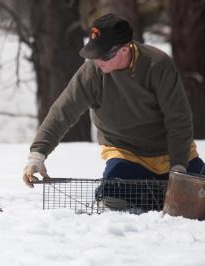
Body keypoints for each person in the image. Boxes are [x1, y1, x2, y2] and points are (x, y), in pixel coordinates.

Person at [22, 14, 205, 195]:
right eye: (93, 53)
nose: (96, 60)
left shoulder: (157, 65)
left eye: (102, 55)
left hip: (172, 152)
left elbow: (178, 119)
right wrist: (37, 155)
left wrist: (179, 167)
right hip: (126, 154)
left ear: (124, 49)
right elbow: (62, 112)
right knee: (113, 198)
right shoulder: (92, 72)